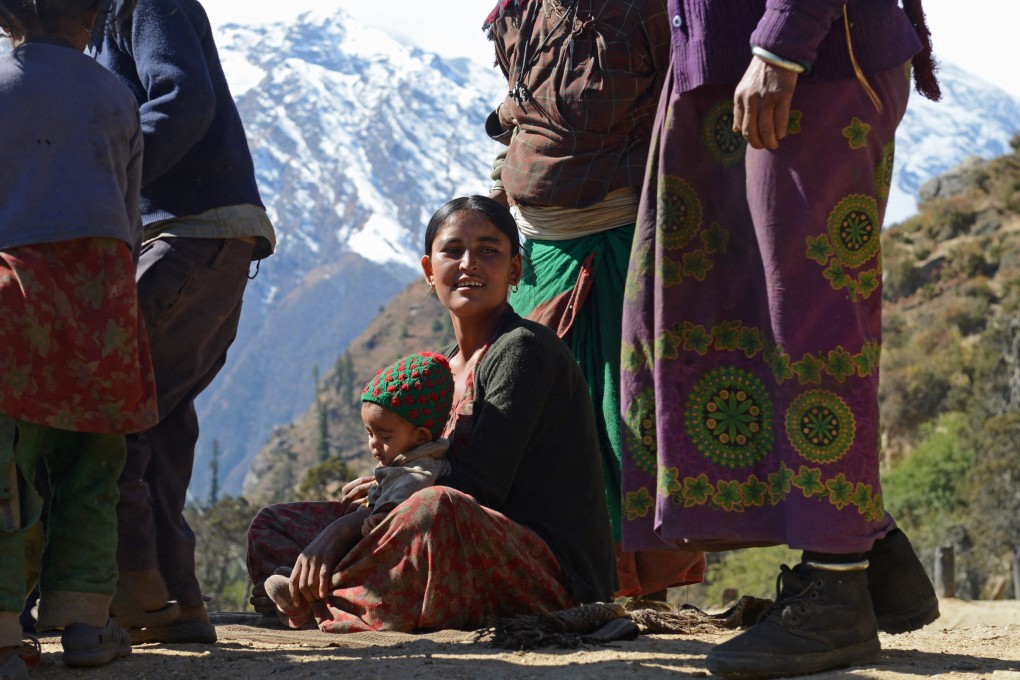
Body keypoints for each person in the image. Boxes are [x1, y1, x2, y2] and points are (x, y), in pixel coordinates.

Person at [618, 0, 942, 677]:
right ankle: (871, 556)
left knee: (811, 323)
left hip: (808, 63)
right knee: (722, 311)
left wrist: (781, 45)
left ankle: (835, 590)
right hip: (723, 64)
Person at [247, 196, 616, 633]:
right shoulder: (443, 368)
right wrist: (389, 490)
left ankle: (320, 601)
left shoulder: (523, 349)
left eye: (489, 250)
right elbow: (431, 461)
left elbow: (480, 488)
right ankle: (344, 600)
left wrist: (349, 528)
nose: (469, 264)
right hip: (445, 543)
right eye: (453, 250)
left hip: (544, 570)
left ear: (515, 269)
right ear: (428, 270)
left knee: (435, 508)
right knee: (276, 524)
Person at [482, 0, 704, 606]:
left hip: (618, 245)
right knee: (542, 422)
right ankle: (553, 573)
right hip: (538, 252)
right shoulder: (521, 11)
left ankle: (636, 585)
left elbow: (686, 106)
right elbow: (521, 112)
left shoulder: (648, 13)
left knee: (617, 418)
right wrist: (502, 185)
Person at [92, 0, 277, 644]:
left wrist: (100, 176)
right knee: (159, 421)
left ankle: (135, 587)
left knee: (108, 405)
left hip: (186, 233)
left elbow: (183, 97)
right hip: (209, 241)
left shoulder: (144, 3)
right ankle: (178, 600)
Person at [0, 0, 158, 672]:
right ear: (92, 14)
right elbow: (129, 216)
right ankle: (87, 627)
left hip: (16, 302)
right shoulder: (115, 94)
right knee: (93, 469)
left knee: (7, 473)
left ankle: (5, 632)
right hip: (105, 306)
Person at [262, 351, 454, 629]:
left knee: (356, 566)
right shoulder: (404, 457)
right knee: (271, 522)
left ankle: (306, 607)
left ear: (421, 436)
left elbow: (411, 489)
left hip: (391, 545)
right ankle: (299, 594)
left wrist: (383, 515)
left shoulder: (422, 464)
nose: (374, 445)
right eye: (369, 433)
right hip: (371, 531)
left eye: (384, 436)